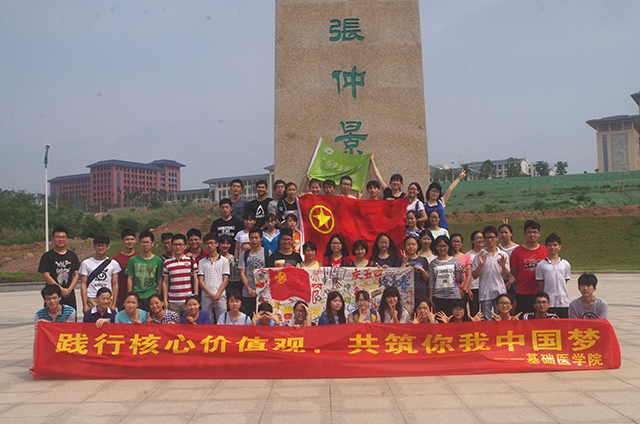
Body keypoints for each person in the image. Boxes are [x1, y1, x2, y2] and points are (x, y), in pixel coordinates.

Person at [30, 285, 77, 374]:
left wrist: (49, 325)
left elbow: (69, 332)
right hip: (49, 342)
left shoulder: (70, 311)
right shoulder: (39, 315)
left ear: (60, 297)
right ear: (44, 300)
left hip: (65, 341)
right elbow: (37, 339)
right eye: (48, 299)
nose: (52, 301)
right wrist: (34, 362)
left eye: (54, 298)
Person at [37, 226, 80, 313]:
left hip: (69, 295)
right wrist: (60, 290)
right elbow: (46, 275)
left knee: (70, 317)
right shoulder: (47, 256)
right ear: (53, 239)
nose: (60, 239)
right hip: (52, 296)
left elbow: (76, 274)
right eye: (58, 237)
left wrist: (69, 289)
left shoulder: (72, 255)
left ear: (67, 239)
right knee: (52, 318)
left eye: (63, 237)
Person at [472, 226, 511, 320]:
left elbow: (507, 276)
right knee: (487, 320)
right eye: (487, 238)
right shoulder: (480, 255)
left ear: (497, 238)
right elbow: (474, 276)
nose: (489, 240)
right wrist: (480, 265)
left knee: (501, 319)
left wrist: (503, 266)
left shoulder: (503, 255)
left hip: (500, 291)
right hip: (485, 293)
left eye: (492, 237)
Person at [510, 220, 548, 315]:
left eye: (534, 232)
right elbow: (514, 271)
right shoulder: (517, 252)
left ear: (539, 234)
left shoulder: (545, 250)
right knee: (522, 318)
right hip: (523, 292)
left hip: (540, 292)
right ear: (525, 234)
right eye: (529, 232)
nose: (532, 235)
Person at [79, 235, 120, 314]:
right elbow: (83, 283)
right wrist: (84, 304)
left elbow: (115, 284)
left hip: (108, 299)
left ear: (107, 247)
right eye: (98, 245)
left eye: (103, 245)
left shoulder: (113, 263)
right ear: (94, 247)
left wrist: (114, 304)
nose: (100, 248)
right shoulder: (86, 263)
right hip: (92, 298)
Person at [126, 231, 164, 312]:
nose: (145, 244)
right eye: (143, 242)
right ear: (140, 243)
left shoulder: (158, 260)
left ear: (152, 243)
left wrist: (159, 295)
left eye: (147, 242)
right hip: (137, 295)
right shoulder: (133, 260)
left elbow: (160, 279)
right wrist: (130, 295)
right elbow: (130, 278)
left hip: (151, 295)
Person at [535, 233, 571, 318]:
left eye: (555, 245)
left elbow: (565, 281)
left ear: (560, 246)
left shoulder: (565, 264)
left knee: (563, 324)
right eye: (550, 245)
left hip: (562, 301)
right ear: (546, 247)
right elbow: (540, 283)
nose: (552, 247)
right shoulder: (541, 265)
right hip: (548, 302)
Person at [163, 234, 198, 317]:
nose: (178, 247)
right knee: (173, 323)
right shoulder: (167, 262)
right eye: (175, 245)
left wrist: (195, 297)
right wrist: (165, 300)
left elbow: (195, 280)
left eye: (180, 244)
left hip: (188, 300)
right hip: (173, 301)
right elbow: (165, 282)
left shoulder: (191, 261)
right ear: (172, 246)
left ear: (185, 246)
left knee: (188, 323)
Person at [239, 227, 270, 317]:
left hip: (263, 293)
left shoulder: (267, 253)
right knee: (248, 317)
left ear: (261, 238)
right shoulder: (244, 255)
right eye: (252, 238)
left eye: (256, 238)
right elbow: (242, 273)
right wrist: (249, 288)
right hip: (247, 293)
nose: (254, 240)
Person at [198, 233, 230, 324]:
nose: (209, 245)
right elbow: (200, 281)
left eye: (212, 243)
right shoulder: (201, 262)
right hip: (206, 296)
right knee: (207, 322)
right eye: (207, 243)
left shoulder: (224, 261)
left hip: (221, 296)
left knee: (222, 322)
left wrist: (217, 295)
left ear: (217, 244)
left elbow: (225, 280)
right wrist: (211, 295)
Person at [429, 236, 463, 317]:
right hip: (438, 297)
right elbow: (432, 281)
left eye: (444, 246)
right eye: (439, 246)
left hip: (453, 296)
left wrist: (460, 273)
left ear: (448, 246)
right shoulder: (433, 263)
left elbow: (459, 280)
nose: (442, 248)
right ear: (436, 247)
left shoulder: (455, 261)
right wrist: (430, 297)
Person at [112, 228, 140, 310]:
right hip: (122, 296)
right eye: (127, 239)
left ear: (135, 240)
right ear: (122, 241)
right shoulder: (115, 259)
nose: (130, 241)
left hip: (138, 295)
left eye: (132, 239)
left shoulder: (140, 257)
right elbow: (113, 281)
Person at [397, 236, 429, 304]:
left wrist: (422, 270)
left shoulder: (423, 260)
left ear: (417, 246)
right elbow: (398, 277)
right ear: (405, 247)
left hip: (420, 291)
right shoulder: (400, 260)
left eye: (413, 244)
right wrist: (404, 262)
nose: (411, 247)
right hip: (405, 292)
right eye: (408, 245)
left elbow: (427, 279)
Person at [464, 230, 484, 317]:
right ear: (472, 241)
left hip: (485, 286)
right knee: (474, 312)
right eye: (477, 238)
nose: (480, 240)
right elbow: (466, 274)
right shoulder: (468, 255)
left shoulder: (486, 253)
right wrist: (469, 289)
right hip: (474, 287)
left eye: (482, 238)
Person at [498, 222, 518, 298]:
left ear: (511, 234)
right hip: (500, 281)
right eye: (501, 233)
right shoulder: (497, 249)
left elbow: (518, 267)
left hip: (513, 280)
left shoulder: (517, 248)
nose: (503, 235)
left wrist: (510, 282)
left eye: (506, 232)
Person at [451, 233, 472, 306]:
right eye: (454, 241)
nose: (456, 244)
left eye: (458, 241)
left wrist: (465, 290)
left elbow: (468, 275)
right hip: (450, 290)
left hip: (462, 289)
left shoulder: (466, 257)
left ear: (462, 243)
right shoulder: (447, 257)